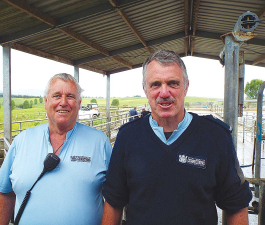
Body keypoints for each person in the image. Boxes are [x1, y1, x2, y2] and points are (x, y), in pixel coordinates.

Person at [101, 50, 252, 225]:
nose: (164, 93)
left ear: (186, 86)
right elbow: (113, 202)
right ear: (145, 89)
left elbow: (236, 204)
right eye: (155, 84)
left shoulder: (216, 136)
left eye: (173, 83)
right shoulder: (127, 137)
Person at [0, 73, 112, 225]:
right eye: (56, 96)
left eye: (70, 96)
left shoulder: (100, 142)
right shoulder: (22, 141)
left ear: (79, 103)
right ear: (46, 101)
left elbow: (115, 198)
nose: (63, 102)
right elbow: (4, 193)